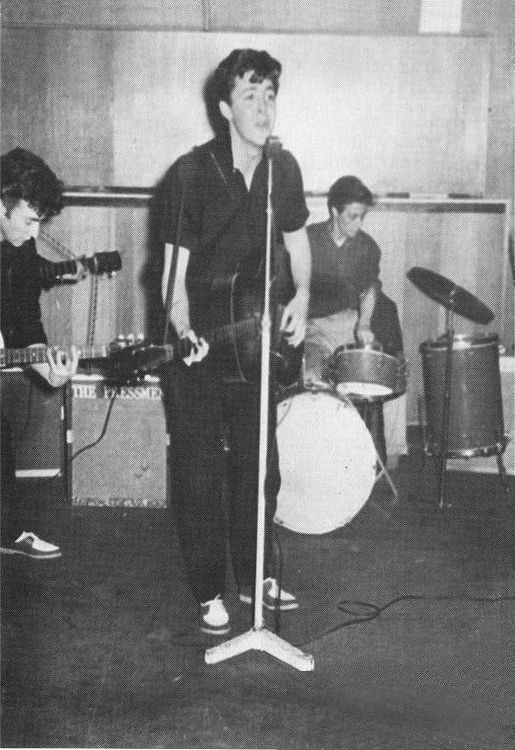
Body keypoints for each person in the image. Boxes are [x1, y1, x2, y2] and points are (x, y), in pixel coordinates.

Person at [160, 49, 311, 635]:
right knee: (200, 471)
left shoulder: (283, 169)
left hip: (255, 340)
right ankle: (208, 591)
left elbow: (298, 239)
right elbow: (172, 276)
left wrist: (302, 297)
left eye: (270, 95)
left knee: (259, 465)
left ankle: (255, 574)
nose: (264, 108)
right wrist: (183, 331)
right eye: (250, 96)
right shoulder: (190, 173)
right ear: (225, 108)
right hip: (198, 339)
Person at [1, 147, 78, 559]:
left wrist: (49, 372)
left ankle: (7, 532)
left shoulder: (19, 248)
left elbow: (26, 319)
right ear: (3, 203)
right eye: (30, 220)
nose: (34, 233)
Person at [306, 175, 403, 466]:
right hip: (314, 327)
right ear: (334, 211)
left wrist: (364, 324)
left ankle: (369, 464)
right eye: (353, 216)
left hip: (350, 323)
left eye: (363, 217)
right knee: (312, 383)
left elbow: (369, 290)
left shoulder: (367, 247)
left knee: (365, 383)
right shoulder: (307, 240)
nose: (359, 224)